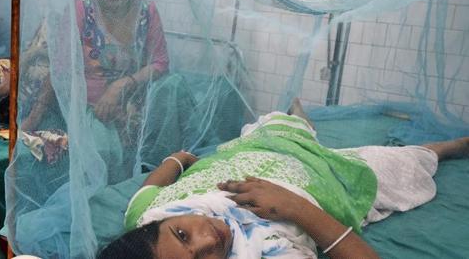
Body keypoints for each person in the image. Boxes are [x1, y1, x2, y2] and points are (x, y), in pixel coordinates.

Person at [98, 98, 469, 259]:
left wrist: (179, 160)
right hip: (320, 178)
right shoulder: (269, 251)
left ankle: (298, 116)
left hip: (257, 150)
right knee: (401, 162)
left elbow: (148, 189)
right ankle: (451, 146)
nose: (207, 237)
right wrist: (297, 208)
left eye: (182, 233)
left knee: (282, 124)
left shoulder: (145, 220)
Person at [22, 0, 200, 165]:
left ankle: (170, 162)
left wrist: (123, 85)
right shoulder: (81, 9)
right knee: (102, 154)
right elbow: (61, 70)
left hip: (133, 99)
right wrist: (34, 116)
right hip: (92, 107)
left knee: (175, 84)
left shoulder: (147, 12)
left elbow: (161, 62)